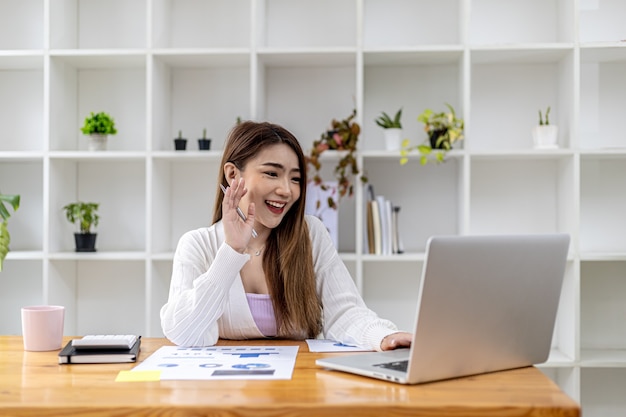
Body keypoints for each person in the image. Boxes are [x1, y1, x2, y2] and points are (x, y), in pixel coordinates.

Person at [160, 121, 412, 351]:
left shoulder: (310, 233)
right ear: (233, 175)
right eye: (272, 173)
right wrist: (232, 250)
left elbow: (345, 313)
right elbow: (184, 332)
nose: (286, 190)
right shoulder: (197, 245)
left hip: (298, 385)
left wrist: (384, 336)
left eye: (296, 179)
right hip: (226, 391)